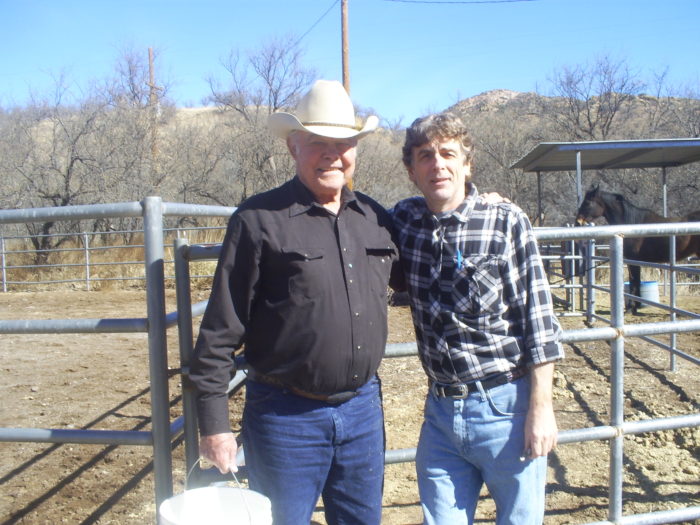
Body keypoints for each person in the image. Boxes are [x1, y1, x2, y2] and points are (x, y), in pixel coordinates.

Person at [189, 79, 403, 525]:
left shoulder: (377, 221)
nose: (332, 154)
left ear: (356, 149)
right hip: (285, 416)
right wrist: (213, 424)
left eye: (343, 143)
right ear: (293, 147)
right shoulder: (258, 221)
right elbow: (219, 329)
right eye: (317, 143)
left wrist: (475, 200)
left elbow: (420, 274)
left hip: (362, 409)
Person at [392, 112, 564, 525]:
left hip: (505, 407)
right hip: (440, 413)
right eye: (425, 155)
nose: (438, 164)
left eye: (448, 153)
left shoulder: (505, 221)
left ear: (467, 164)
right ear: (412, 170)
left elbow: (538, 322)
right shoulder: (403, 221)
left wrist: (541, 409)